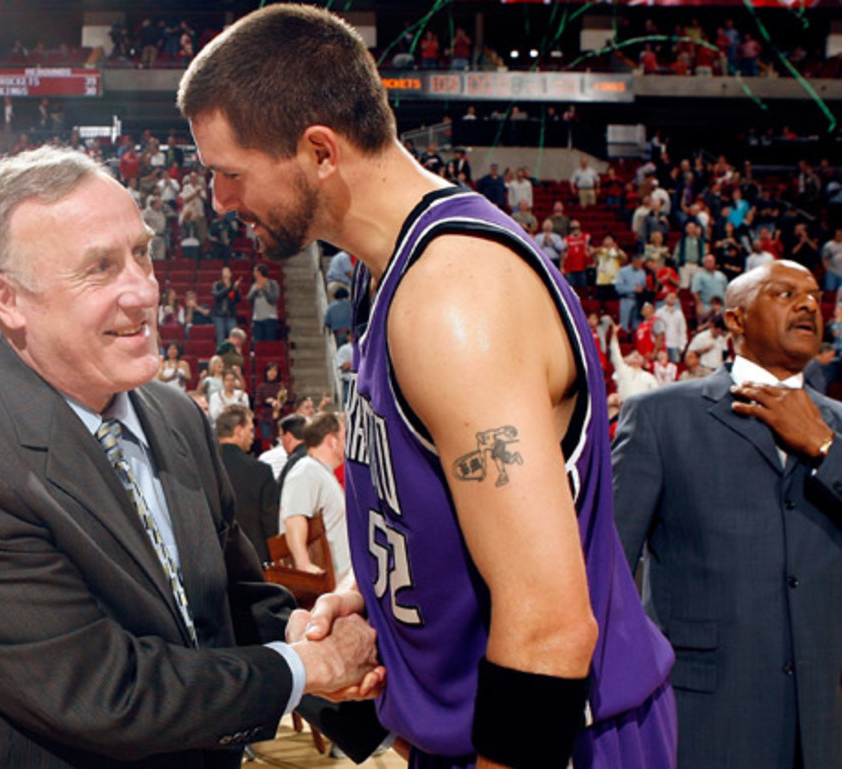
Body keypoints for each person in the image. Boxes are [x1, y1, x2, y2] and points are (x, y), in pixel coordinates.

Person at [179, 7, 675, 767]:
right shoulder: (387, 273)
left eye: (230, 171)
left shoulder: (452, 298)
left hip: (548, 736)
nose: (218, 199)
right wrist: (376, 598)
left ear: (318, 150)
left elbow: (548, 625)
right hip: (475, 725)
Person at [0, 146, 384, 768]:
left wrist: (322, 651)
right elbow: (102, 693)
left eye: (140, 253)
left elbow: (233, 604)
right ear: (7, 298)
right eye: (100, 268)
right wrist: (308, 666)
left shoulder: (175, 415)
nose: (143, 290)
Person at [613, 261, 842, 769]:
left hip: (825, 721)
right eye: (785, 294)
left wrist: (824, 447)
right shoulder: (659, 417)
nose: (808, 304)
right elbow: (609, 572)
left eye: (813, 296)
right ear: (735, 322)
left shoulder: (838, 429)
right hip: (703, 718)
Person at [278, 411, 350, 583]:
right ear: (332, 441)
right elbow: (294, 518)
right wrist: (304, 565)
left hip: (338, 577)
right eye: (344, 437)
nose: (346, 444)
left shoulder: (320, 472)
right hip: (327, 580)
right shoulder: (306, 470)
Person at [216, 404, 280, 563]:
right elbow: (270, 522)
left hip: (214, 557)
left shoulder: (202, 466)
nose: (253, 436)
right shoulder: (260, 470)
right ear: (238, 431)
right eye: (250, 430)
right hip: (252, 558)